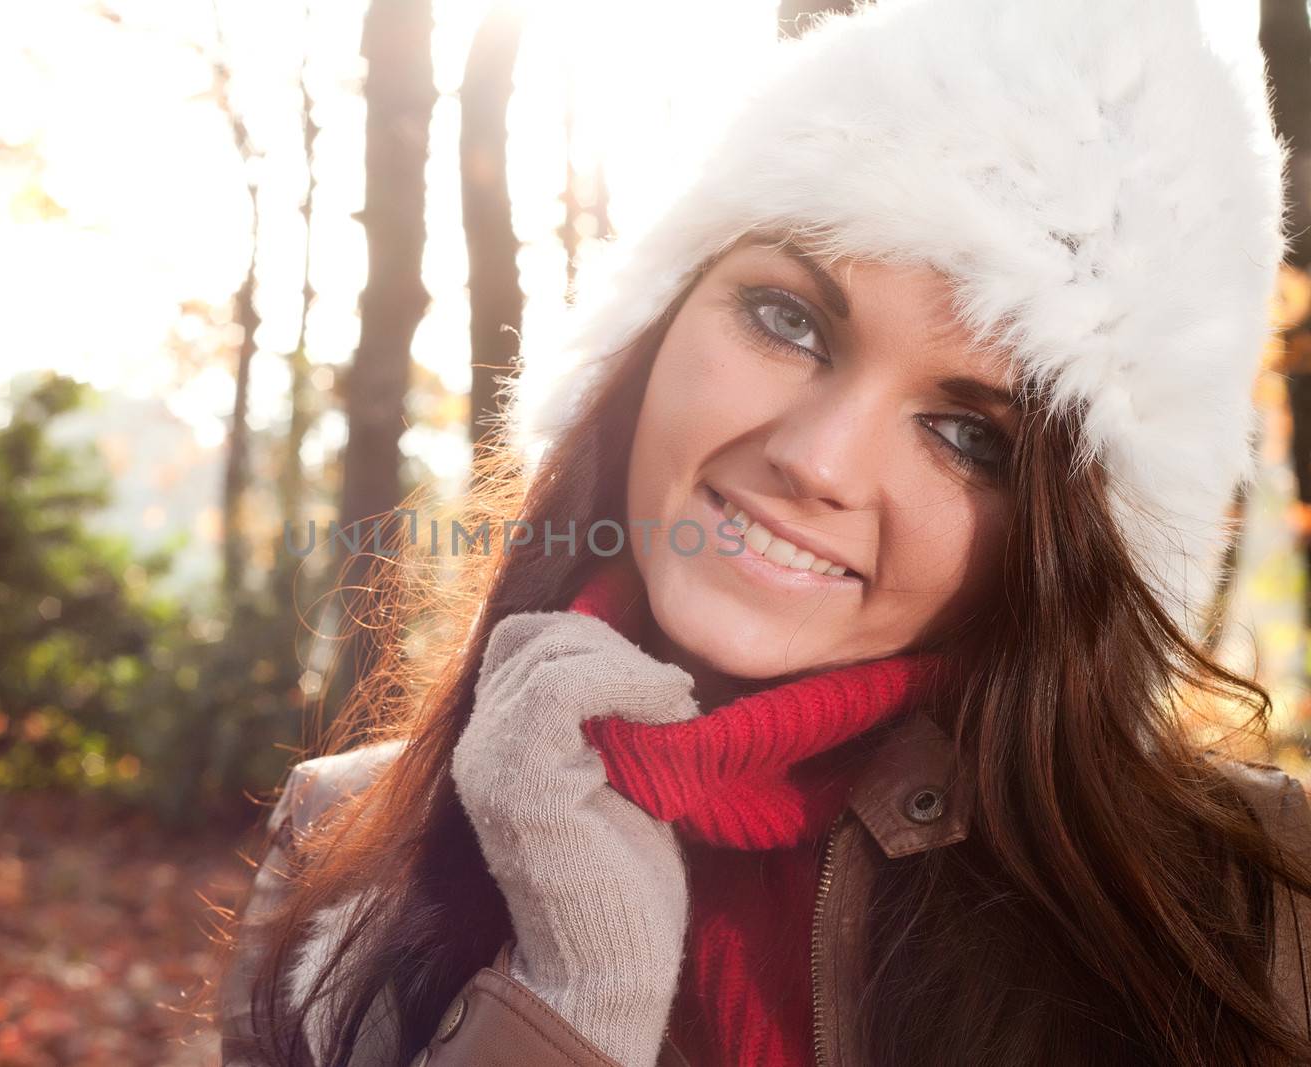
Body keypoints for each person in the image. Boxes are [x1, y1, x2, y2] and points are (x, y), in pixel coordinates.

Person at [217, 0, 1311, 1063]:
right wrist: (574, 1005)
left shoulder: (1260, 907)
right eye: (787, 319)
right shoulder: (344, 839)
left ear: (1066, 548)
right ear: (651, 329)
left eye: (969, 437)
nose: (818, 458)